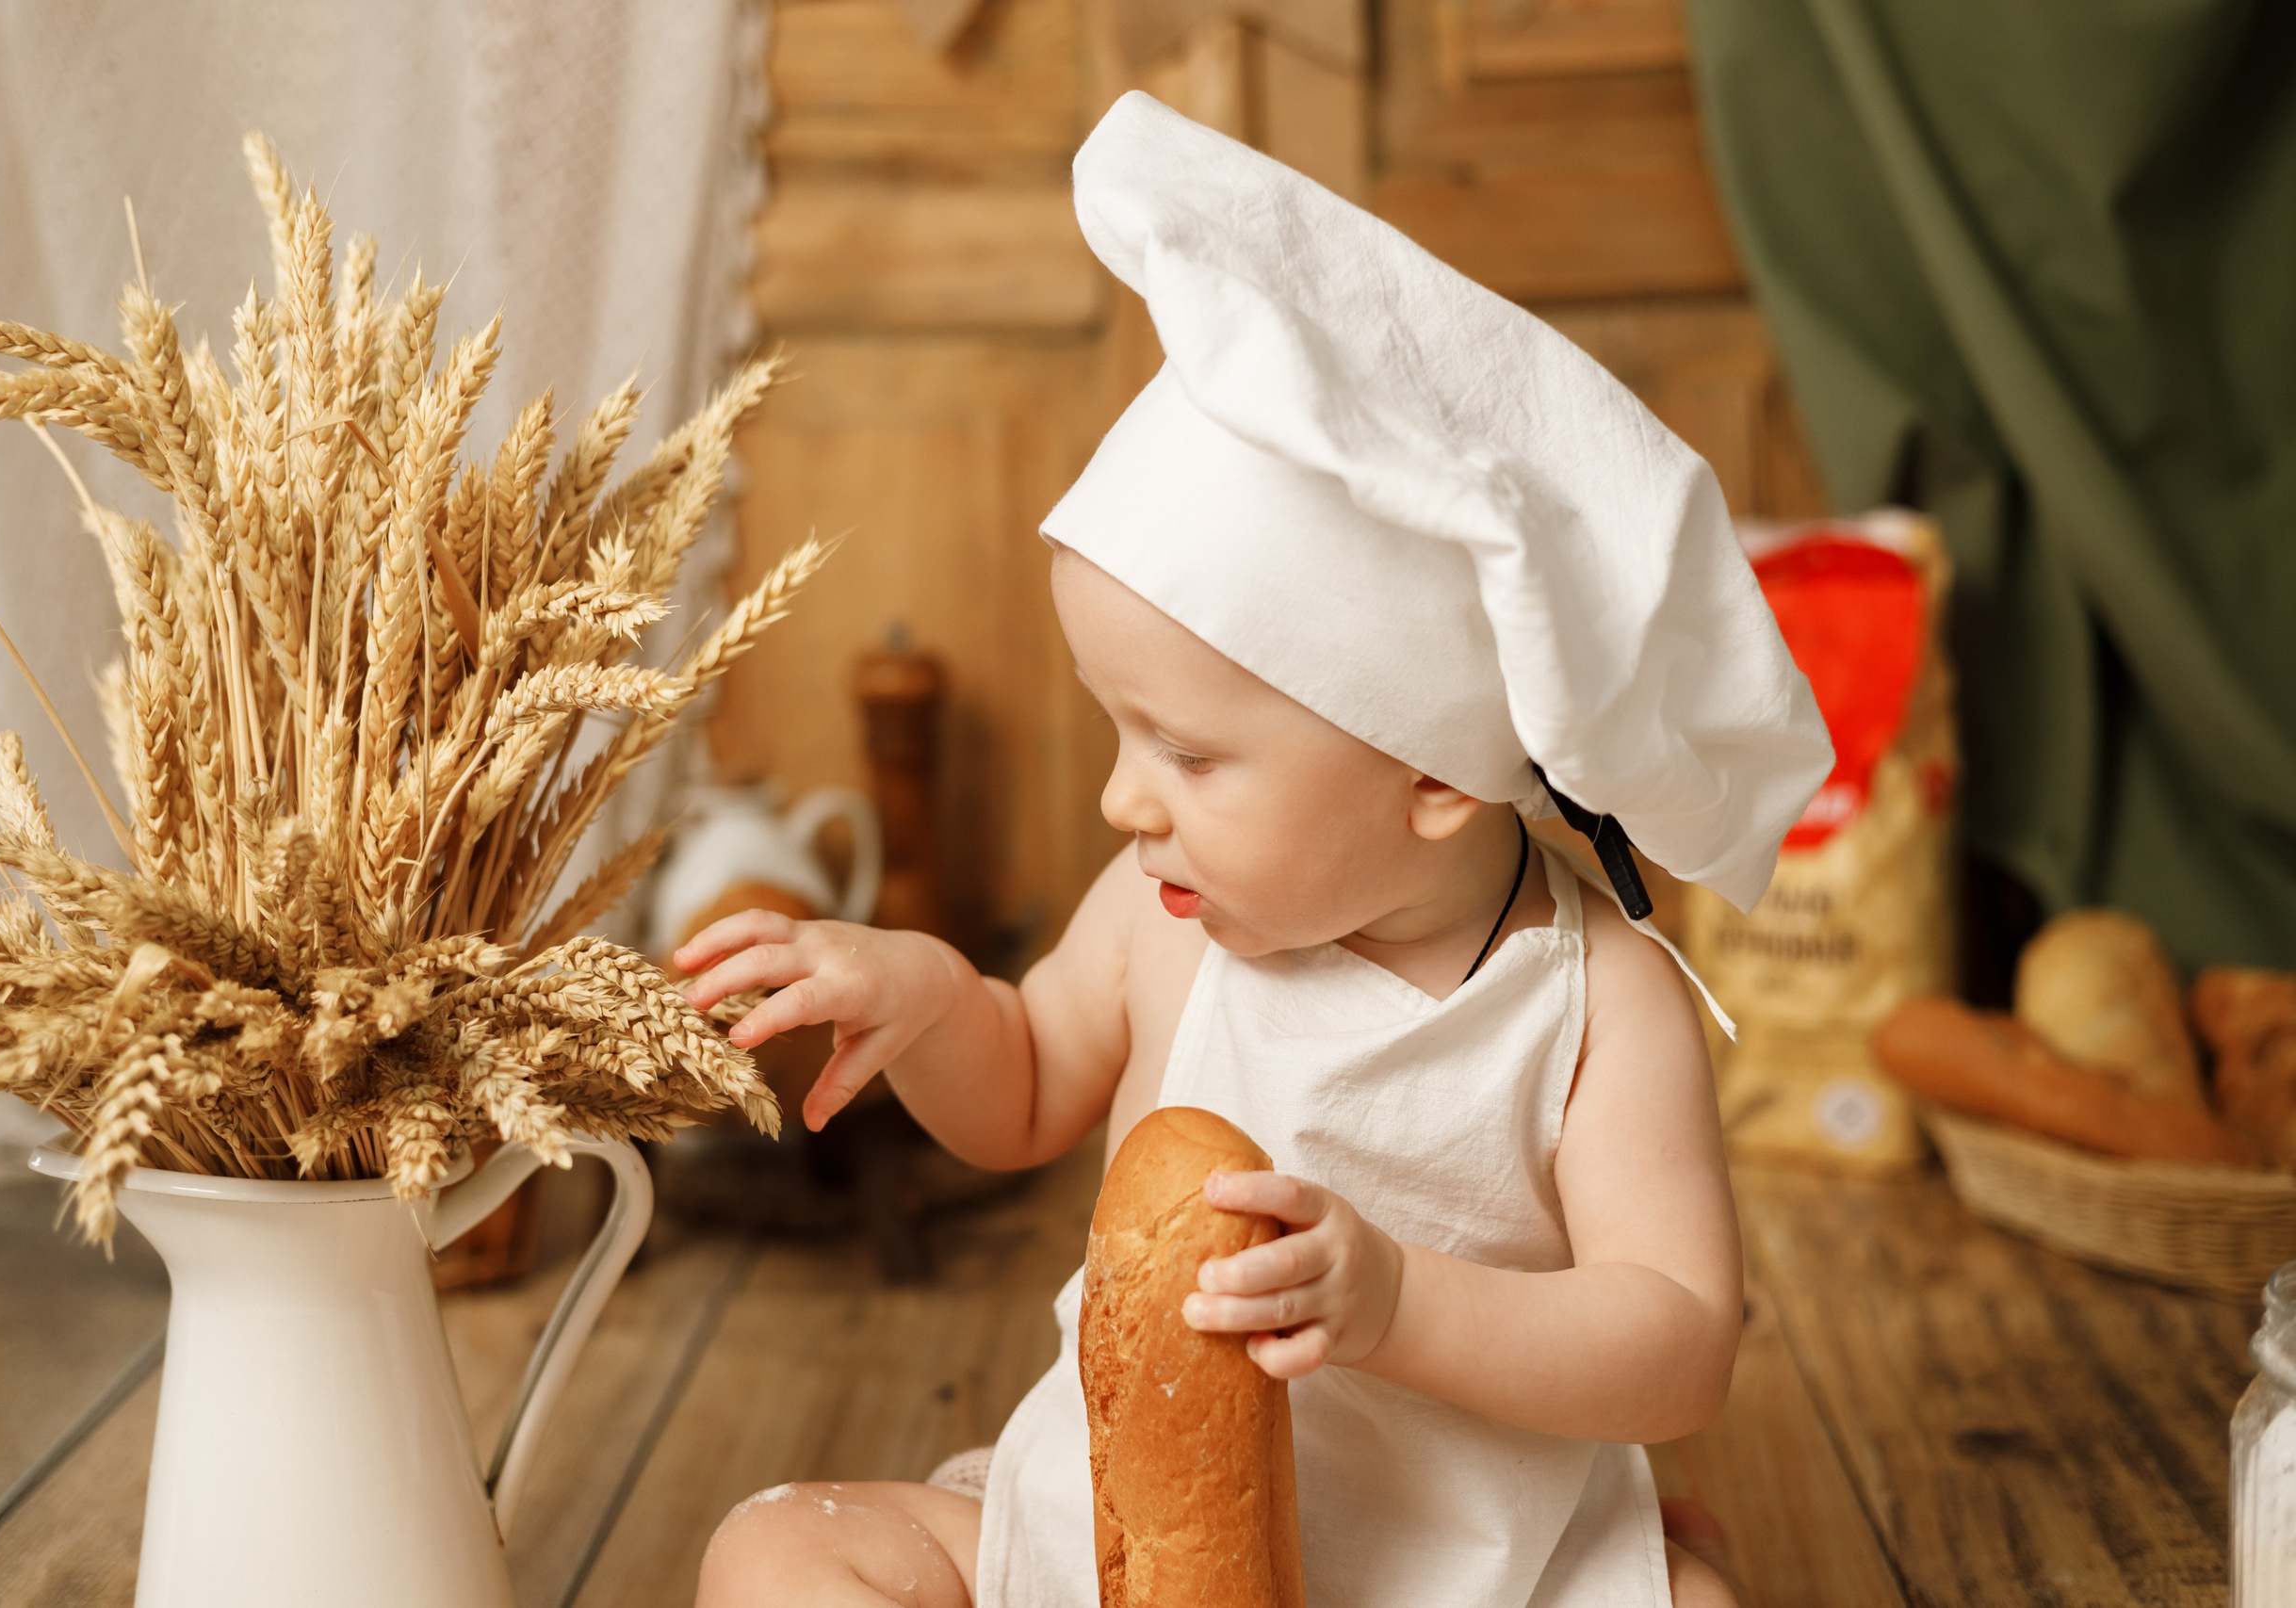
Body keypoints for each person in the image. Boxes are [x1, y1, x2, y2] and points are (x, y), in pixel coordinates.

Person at [683, 90, 1829, 1608]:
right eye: (1118, 732)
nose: (1121, 802)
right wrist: (930, 1004)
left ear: (1432, 774)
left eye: (1190, 752)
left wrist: (1400, 1304)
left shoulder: (1594, 1001)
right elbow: (1024, 1082)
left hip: (1474, 1573)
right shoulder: (1161, 912)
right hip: (1130, 1546)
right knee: (774, 1553)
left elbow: (1679, 1344)